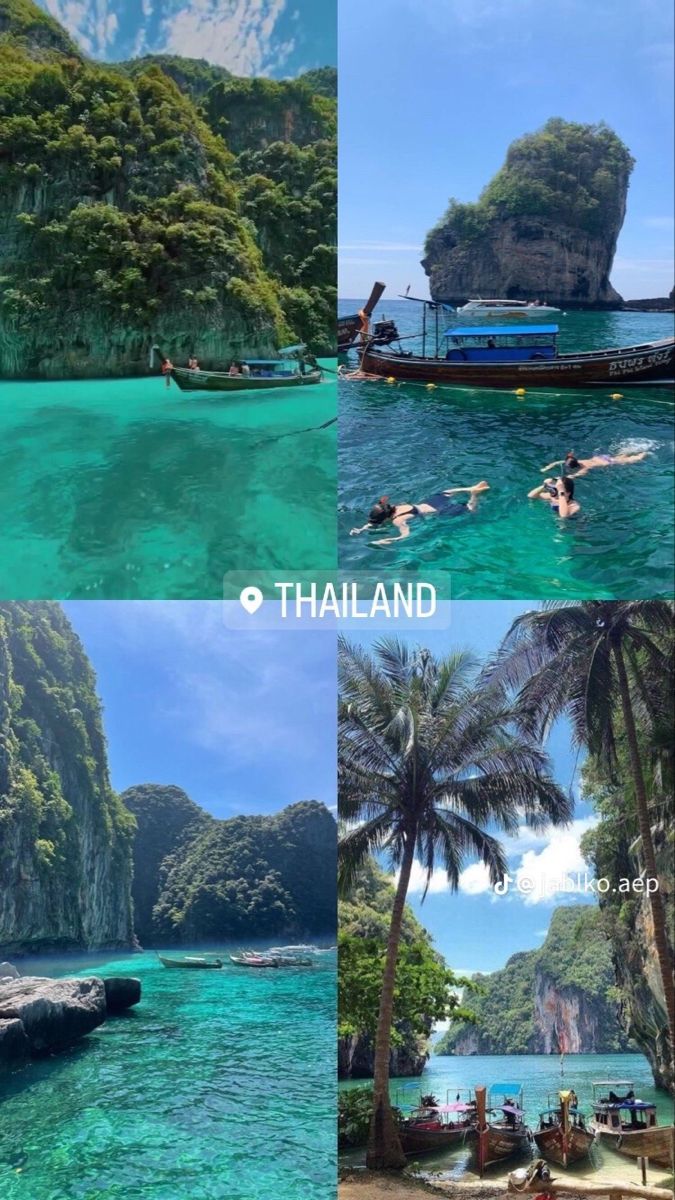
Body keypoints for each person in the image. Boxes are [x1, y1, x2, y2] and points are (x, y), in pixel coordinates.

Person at [350, 481, 490, 544]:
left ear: (386, 518)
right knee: (446, 492)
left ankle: (474, 494)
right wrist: (362, 529)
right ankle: (470, 487)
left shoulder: (397, 520)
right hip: (431, 503)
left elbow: (406, 535)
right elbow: (373, 521)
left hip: (439, 511)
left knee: (471, 510)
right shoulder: (396, 507)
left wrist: (390, 539)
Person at [541, 449, 650, 477]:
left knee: (634, 460)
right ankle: (632, 450)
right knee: (621, 456)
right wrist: (547, 468)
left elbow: (574, 476)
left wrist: (564, 478)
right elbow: (558, 462)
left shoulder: (584, 469)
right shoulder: (579, 462)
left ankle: (645, 452)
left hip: (608, 462)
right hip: (602, 457)